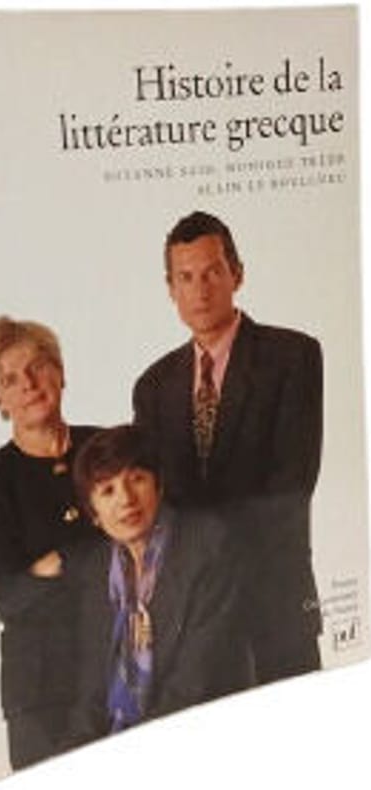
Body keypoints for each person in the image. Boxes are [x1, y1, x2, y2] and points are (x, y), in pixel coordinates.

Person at [133, 211, 323, 685]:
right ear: (170, 289)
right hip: (192, 620)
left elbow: (292, 487)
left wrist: (202, 550)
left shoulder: (292, 357)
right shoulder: (153, 386)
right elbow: (156, 504)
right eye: (186, 277)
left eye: (212, 272)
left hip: (274, 605)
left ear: (237, 274)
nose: (200, 290)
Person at [0, 316, 98, 769]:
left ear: (60, 372)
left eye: (38, 367)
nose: (29, 385)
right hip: (43, 693)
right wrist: (94, 554)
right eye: (10, 380)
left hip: (126, 664)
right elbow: (8, 596)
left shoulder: (109, 449)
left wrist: (51, 564)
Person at [67, 425, 252, 745]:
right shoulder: (98, 573)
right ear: (93, 513)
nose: (126, 499)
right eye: (108, 491)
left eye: (137, 478)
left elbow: (196, 682)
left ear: (159, 485)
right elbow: (92, 694)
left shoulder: (207, 545)